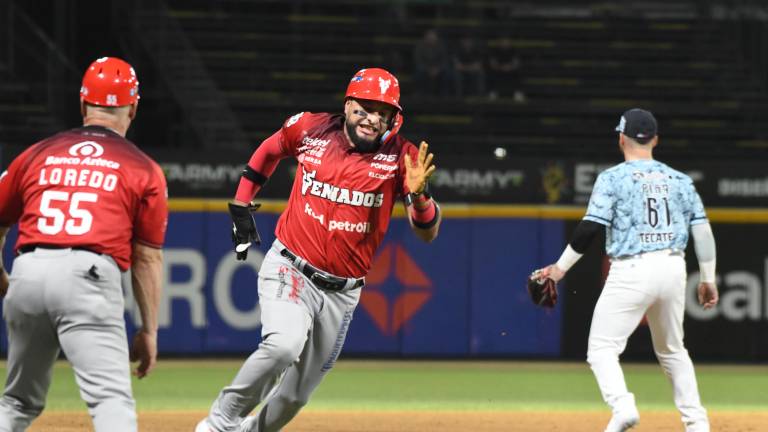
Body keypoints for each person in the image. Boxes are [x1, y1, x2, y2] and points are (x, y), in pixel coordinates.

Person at [196, 67, 441, 432]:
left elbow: (427, 232)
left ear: (394, 117)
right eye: (365, 107)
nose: (372, 118)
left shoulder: (401, 158)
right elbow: (269, 149)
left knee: (295, 396)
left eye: (382, 111)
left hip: (343, 293)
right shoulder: (310, 128)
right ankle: (218, 422)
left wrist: (420, 195)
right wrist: (242, 202)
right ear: (348, 104)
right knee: (283, 345)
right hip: (291, 266)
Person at [0, 57, 167, 432]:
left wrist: (1, 273)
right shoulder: (144, 168)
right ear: (134, 107)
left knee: (16, 403)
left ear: (82, 104)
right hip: (88, 276)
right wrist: (149, 330)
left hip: (27, 271)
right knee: (110, 402)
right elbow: (147, 257)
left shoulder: (36, 153)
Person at [534, 109, 717, 432]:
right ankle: (697, 424)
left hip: (632, 268)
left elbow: (590, 229)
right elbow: (702, 231)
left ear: (621, 138)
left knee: (602, 348)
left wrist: (559, 270)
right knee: (673, 351)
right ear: (655, 140)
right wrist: (707, 278)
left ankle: (622, 407)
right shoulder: (680, 180)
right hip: (673, 267)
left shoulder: (612, 178)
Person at [413, 29, 454, 97]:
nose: (431, 38)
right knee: (419, 72)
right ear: (425, 37)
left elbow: (444, 60)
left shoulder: (441, 46)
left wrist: (437, 69)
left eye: (433, 36)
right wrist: (428, 69)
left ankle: (444, 95)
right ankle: (421, 94)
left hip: (439, 69)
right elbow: (418, 60)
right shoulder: (420, 46)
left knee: (446, 73)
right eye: (429, 37)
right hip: (425, 68)